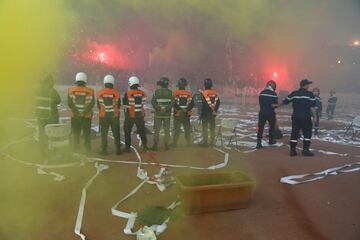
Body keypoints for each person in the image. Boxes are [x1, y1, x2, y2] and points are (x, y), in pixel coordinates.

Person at [283, 79, 317, 157]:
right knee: (307, 133)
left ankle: (292, 151)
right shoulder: (310, 94)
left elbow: (285, 101)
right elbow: (312, 107)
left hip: (296, 116)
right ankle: (305, 150)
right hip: (306, 116)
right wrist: (315, 117)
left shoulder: (294, 93)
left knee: (294, 133)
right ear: (306, 85)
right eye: (308, 84)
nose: (309, 86)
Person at [68, 72, 95, 153]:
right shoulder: (90, 91)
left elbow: (69, 103)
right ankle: (88, 150)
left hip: (75, 116)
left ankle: (76, 149)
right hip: (86, 117)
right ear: (85, 80)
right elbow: (92, 103)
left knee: (76, 134)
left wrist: (76, 112)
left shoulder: (70, 90)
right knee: (87, 135)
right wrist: (84, 112)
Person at [35, 73, 61, 157]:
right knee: (53, 134)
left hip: (40, 116)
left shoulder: (38, 90)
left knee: (42, 134)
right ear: (50, 82)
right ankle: (54, 151)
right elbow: (58, 100)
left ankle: (42, 151)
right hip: (51, 116)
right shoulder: (52, 91)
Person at [97, 75, 121, 155]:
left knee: (104, 133)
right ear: (112, 83)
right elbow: (119, 105)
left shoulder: (100, 92)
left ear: (105, 82)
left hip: (104, 116)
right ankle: (118, 149)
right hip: (114, 115)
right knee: (116, 132)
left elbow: (98, 106)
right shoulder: (116, 93)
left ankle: (104, 149)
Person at [123, 76, 148, 152]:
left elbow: (125, 106)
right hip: (140, 115)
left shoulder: (127, 93)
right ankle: (145, 146)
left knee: (127, 131)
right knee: (142, 131)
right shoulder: (143, 93)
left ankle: (128, 148)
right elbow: (143, 102)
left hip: (130, 116)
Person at [151, 77, 174, 151]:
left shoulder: (156, 92)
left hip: (158, 114)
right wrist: (166, 109)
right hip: (167, 115)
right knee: (166, 130)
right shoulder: (171, 93)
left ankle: (155, 145)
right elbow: (172, 103)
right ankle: (166, 145)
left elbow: (153, 102)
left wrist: (159, 108)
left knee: (157, 130)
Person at [256, 80, 278, 149]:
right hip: (271, 113)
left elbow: (260, 102)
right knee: (271, 127)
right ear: (273, 86)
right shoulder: (274, 94)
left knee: (261, 128)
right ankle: (271, 140)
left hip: (262, 112)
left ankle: (258, 143)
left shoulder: (262, 93)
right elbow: (275, 105)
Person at [173, 78, 194, 147]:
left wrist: (179, 109)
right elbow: (192, 104)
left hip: (177, 114)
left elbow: (173, 103)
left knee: (176, 129)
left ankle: (175, 143)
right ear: (185, 85)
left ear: (178, 85)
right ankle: (188, 143)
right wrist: (187, 109)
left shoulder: (175, 93)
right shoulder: (189, 94)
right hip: (186, 115)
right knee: (187, 129)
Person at [200, 78, 220, 147]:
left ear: (204, 85)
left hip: (205, 114)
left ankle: (205, 142)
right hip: (212, 114)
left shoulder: (203, 93)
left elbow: (202, 105)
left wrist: (201, 115)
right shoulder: (215, 93)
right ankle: (212, 142)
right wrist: (215, 111)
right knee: (212, 128)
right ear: (211, 85)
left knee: (205, 128)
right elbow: (218, 103)